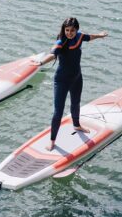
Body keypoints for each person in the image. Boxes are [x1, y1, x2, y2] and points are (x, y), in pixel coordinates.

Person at [32, 17, 108, 151]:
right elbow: (53, 54)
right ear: (63, 30)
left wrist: (100, 36)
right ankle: (52, 140)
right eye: (67, 30)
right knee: (58, 112)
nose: (69, 33)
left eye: (72, 30)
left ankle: (77, 125)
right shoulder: (61, 42)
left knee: (76, 103)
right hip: (61, 81)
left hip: (77, 78)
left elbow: (89, 37)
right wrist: (41, 62)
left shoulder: (79, 37)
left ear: (76, 30)